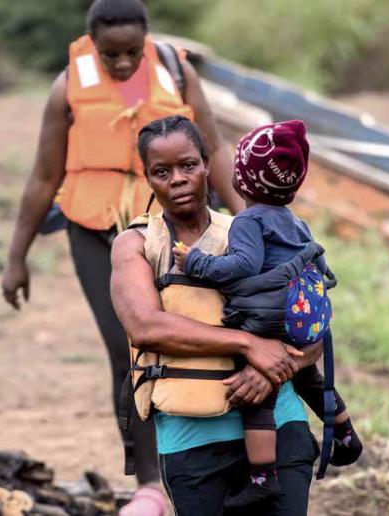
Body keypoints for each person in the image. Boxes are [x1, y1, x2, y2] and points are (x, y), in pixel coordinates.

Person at [1, 1, 242, 513]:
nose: (123, 63)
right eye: (111, 55)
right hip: (97, 233)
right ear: (91, 45)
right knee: (129, 350)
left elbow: (217, 151)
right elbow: (45, 176)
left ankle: (213, 465)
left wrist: (248, 223)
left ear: (147, 39)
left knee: (200, 340)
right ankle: (151, 484)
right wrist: (16, 256)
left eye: (133, 51)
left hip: (175, 229)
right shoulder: (67, 86)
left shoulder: (177, 72)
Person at [111, 115, 324, 515]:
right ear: (148, 178)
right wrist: (249, 344)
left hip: (278, 429)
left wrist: (268, 370)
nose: (177, 179)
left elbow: (314, 326)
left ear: (208, 163)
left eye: (188, 165)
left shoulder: (256, 228)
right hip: (192, 439)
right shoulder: (135, 244)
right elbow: (146, 328)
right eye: (162, 171)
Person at [172, 120, 363, 508]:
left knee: (259, 394)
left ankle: (262, 477)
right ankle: (344, 433)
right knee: (306, 373)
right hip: (300, 314)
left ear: (241, 181)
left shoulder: (248, 221)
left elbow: (243, 265)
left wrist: (197, 262)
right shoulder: (296, 221)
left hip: (267, 314)